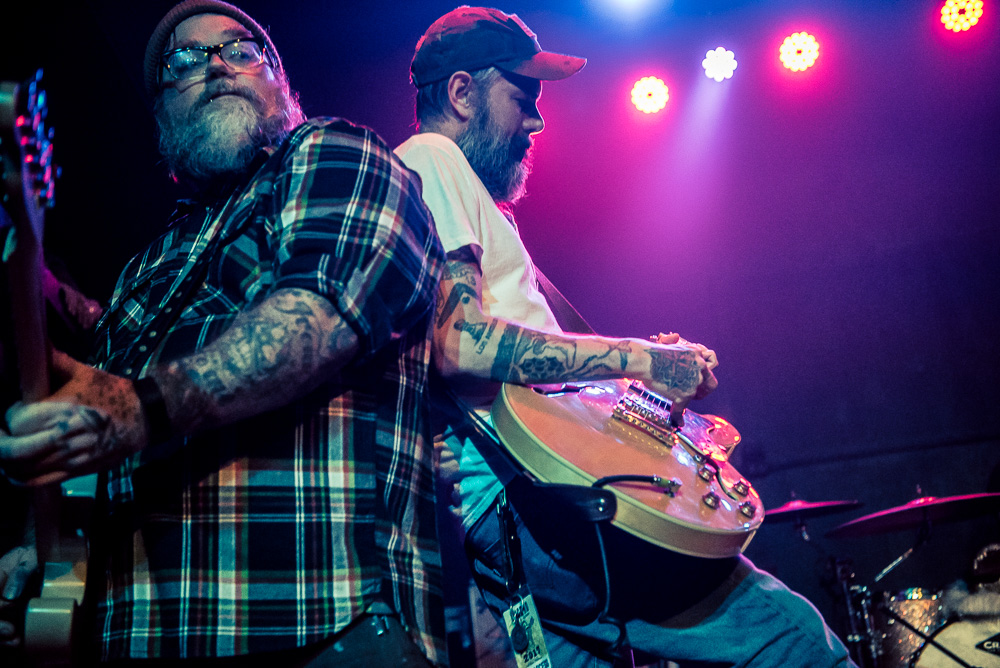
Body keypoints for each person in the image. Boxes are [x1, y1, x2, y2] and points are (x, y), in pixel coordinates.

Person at [396, 7, 857, 667]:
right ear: (461, 93)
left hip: (520, 522)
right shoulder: (430, 157)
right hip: (540, 509)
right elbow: (463, 344)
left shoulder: (473, 200)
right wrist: (640, 356)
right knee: (795, 640)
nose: (536, 120)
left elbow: (522, 376)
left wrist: (629, 382)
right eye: (521, 98)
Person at [0, 1, 445, 664]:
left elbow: (318, 318)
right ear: (160, 118)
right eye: (183, 63)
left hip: (323, 625)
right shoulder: (142, 270)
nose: (213, 67)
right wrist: (47, 549)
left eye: (240, 50)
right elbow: (105, 451)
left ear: (281, 86)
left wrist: (138, 406)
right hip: (138, 637)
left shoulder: (332, 151)